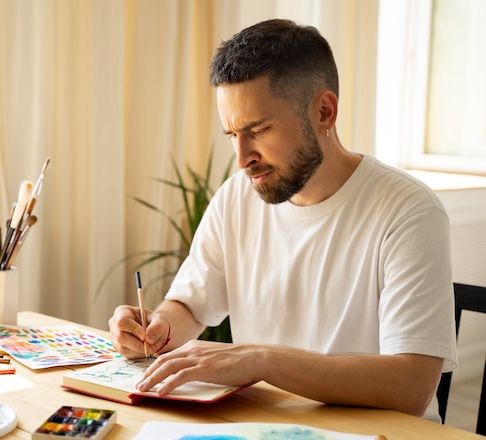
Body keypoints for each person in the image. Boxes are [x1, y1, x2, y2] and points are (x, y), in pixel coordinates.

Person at [108, 18, 457, 421]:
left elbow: (411, 386)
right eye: (232, 135)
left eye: (258, 130)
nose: (242, 159)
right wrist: (158, 327)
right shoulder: (237, 198)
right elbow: (189, 307)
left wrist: (262, 360)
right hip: (266, 425)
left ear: (324, 112)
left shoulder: (409, 212)